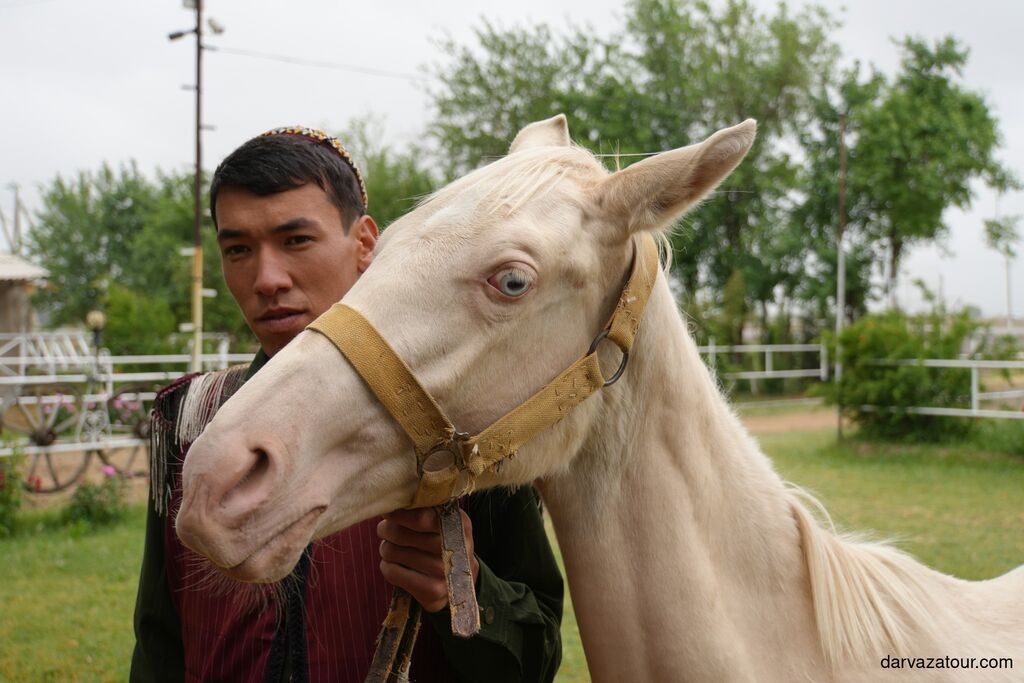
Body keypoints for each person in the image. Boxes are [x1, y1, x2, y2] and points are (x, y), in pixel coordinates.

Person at [130, 127, 564, 683]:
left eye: (296, 240)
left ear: (365, 245)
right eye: (238, 249)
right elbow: (159, 643)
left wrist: (464, 590)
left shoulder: (460, 416)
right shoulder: (187, 417)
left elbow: (538, 656)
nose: (266, 279)